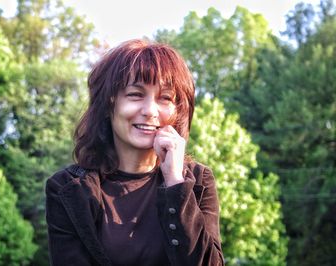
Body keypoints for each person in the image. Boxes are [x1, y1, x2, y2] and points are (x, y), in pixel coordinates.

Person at [45, 39, 224, 266]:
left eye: (165, 98)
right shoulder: (67, 189)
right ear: (110, 104)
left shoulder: (198, 182)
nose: (150, 111)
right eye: (135, 94)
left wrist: (176, 184)